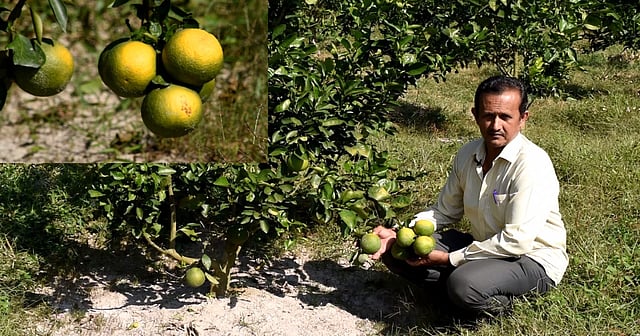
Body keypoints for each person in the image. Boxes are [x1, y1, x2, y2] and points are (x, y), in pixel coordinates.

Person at [371, 75, 568, 318]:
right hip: (485, 248)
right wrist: (402, 232)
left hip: (531, 259)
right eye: (488, 116)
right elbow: (445, 211)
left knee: (463, 285)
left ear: (523, 118)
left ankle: (502, 305)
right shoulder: (468, 154)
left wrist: (448, 258)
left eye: (505, 117)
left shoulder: (531, 164)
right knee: (398, 251)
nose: (496, 125)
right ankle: (465, 293)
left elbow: (517, 241)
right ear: (475, 115)